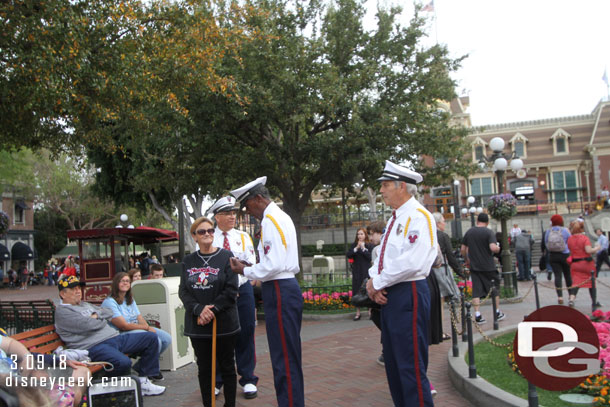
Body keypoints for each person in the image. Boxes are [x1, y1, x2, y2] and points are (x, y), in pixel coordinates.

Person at [365, 161, 437, 407]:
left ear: (402, 187)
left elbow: (413, 261)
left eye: (385, 186)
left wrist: (378, 281)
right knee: (394, 365)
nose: (382, 191)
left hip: (409, 293)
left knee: (410, 366)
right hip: (392, 294)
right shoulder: (396, 219)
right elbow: (382, 255)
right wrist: (373, 280)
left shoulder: (419, 217)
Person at [229, 177, 304, 407]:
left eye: (248, 206)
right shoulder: (275, 217)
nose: (248, 212)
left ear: (259, 199)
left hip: (280, 289)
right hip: (280, 289)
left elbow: (274, 264)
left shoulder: (272, 219)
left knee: (284, 358)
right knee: (284, 356)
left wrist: (246, 269)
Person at [54, 276, 165, 396]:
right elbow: (88, 325)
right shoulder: (63, 312)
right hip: (94, 346)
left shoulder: (85, 304)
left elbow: (108, 312)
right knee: (123, 362)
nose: (78, 291)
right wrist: (101, 320)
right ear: (62, 294)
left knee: (150, 338)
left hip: (114, 338)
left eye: (79, 288)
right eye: (73, 289)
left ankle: (143, 381)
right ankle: (113, 392)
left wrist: (96, 316)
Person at [179, 217, 240, 407]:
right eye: (202, 232)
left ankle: (230, 404)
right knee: (204, 368)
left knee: (227, 366)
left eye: (210, 231)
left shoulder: (226, 256)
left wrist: (211, 310)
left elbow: (231, 290)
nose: (207, 234)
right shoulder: (188, 261)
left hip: (224, 323)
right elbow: (184, 291)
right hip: (198, 325)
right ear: (194, 236)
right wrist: (199, 310)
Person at [208, 196, 259, 399]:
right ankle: (217, 380)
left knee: (246, 333)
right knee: (219, 336)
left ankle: (248, 379)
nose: (232, 217)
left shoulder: (243, 236)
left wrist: (251, 278)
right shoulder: (209, 237)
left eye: (233, 213)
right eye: (227, 213)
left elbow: (251, 262)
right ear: (217, 216)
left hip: (243, 290)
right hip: (220, 294)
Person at [101, 272, 172, 380]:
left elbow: (139, 317)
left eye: (128, 281)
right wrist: (146, 328)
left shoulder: (129, 299)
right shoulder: (109, 302)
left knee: (166, 338)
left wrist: (146, 326)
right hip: (120, 334)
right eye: (122, 281)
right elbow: (123, 326)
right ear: (116, 283)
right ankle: (147, 372)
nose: (125, 283)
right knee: (155, 340)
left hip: (135, 329)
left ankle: (141, 366)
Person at [0, 331, 91, 406]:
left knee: (83, 373)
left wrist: (59, 361)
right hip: (16, 385)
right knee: (72, 392)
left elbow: (13, 346)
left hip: (27, 371)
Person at [461, 213, 505, 324]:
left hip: (475, 266)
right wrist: (498, 248)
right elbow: (493, 247)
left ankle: (477, 314)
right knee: (494, 288)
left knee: (476, 290)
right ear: (487, 222)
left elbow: (463, 249)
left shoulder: (469, 232)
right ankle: (497, 312)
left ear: (477, 221)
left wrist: (467, 260)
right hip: (488, 265)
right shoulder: (488, 232)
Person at [366, 220, 387, 366]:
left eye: (372, 234)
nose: (371, 238)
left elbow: (376, 272)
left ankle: (387, 352)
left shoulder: (378, 249)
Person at [567, 220, 600, 308]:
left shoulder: (569, 239)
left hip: (575, 264)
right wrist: (596, 248)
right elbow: (588, 250)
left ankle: (571, 299)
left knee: (576, 283)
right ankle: (594, 302)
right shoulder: (584, 238)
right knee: (591, 282)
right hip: (586, 264)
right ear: (581, 228)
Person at [544, 214, 572, 304]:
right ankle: (571, 295)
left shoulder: (548, 231)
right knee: (568, 275)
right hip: (565, 254)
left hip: (553, 255)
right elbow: (570, 241)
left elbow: (546, 242)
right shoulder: (565, 230)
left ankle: (560, 296)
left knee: (557, 276)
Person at [346, 228, 373, 321]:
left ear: (365, 235)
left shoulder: (369, 245)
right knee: (356, 290)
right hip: (357, 271)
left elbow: (370, 257)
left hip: (366, 271)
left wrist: (363, 248)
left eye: (361, 234)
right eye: (358, 234)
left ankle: (370, 311)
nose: (360, 236)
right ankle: (358, 313)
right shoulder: (354, 245)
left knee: (367, 290)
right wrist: (356, 248)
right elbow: (348, 254)